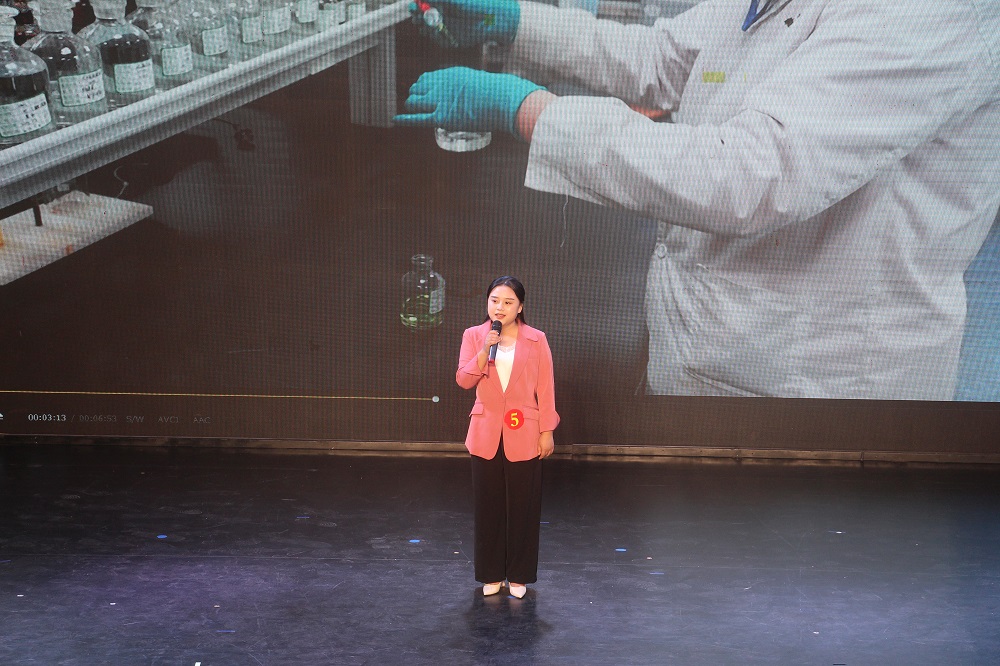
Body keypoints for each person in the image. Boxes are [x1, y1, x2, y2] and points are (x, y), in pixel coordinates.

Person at [397, 0, 1000, 400]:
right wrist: (516, 21)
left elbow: (749, 174)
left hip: (816, 385)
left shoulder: (932, 13)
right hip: (718, 347)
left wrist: (526, 110)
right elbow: (665, 58)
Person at [456, 276, 559, 597]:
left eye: (508, 302)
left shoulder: (536, 339)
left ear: (520, 307)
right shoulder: (474, 335)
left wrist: (547, 431)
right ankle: (491, 574)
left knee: (523, 508)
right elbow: (463, 380)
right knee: (488, 507)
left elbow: (546, 388)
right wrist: (484, 349)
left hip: (525, 431)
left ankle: (518, 576)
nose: (500, 307)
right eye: (494, 300)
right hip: (485, 431)